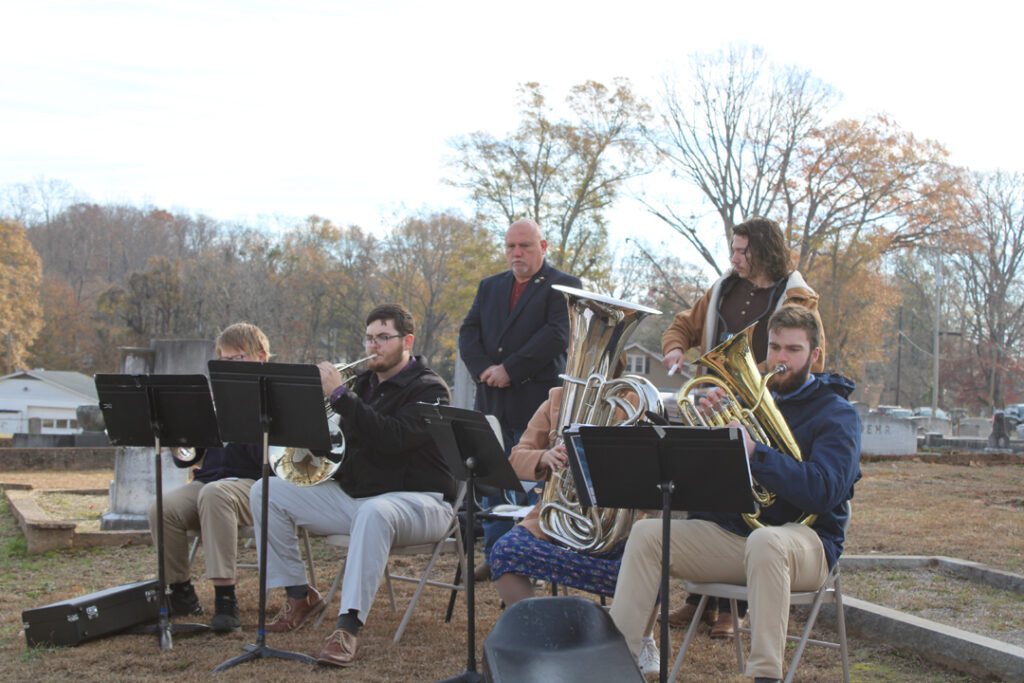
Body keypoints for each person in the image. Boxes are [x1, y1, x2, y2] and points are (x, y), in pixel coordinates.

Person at [610, 305, 862, 683]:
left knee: (767, 542)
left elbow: (823, 491)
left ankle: (765, 677)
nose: (780, 358)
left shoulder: (838, 415)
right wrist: (711, 446)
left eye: (793, 350)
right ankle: (615, 666)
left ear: (816, 356)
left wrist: (756, 454)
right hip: (742, 538)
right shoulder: (748, 403)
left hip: (810, 543)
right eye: (775, 347)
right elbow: (711, 488)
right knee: (649, 535)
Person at [249, 303, 454, 668]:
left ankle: (347, 626)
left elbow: (393, 440)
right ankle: (300, 595)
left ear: (406, 341)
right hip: (358, 499)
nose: (373, 346)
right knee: (266, 492)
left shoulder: (429, 388)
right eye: (369, 337)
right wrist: (306, 413)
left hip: (421, 502)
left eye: (383, 338)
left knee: (375, 512)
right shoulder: (361, 384)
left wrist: (342, 398)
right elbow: (334, 446)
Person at [661, 216, 826, 636]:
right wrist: (676, 349)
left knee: (750, 500)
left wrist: (756, 379)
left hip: (765, 410)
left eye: (741, 250)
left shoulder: (797, 295)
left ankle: (732, 610)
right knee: (705, 494)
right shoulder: (723, 289)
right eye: (732, 249)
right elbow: (683, 324)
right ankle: (698, 601)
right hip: (716, 406)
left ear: (764, 251)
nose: (733, 257)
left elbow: (800, 353)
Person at [488, 380, 660, 680]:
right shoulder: (556, 397)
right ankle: (535, 634)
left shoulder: (633, 399)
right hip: (555, 517)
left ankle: (642, 640)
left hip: (615, 523)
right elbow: (516, 457)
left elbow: (653, 465)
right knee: (505, 551)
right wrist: (542, 457)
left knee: (653, 561)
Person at [458, 218, 581, 579]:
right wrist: (483, 369)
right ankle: (496, 555)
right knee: (495, 483)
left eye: (525, 246)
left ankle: (532, 554)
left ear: (543, 247)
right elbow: (469, 331)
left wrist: (509, 369)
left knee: (537, 485)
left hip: (536, 402)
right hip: (493, 401)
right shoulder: (490, 286)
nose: (516, 253)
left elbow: (556, 336)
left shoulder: (565, 286)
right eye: (510, 246)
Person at [147, 322, 270, 633]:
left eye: (237, 359)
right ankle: (181, 592)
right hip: (210, 482)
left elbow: (269, 461)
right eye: (222, 361)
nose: (228, 367)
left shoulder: (273, 396)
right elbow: (189, 457)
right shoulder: (215, 397)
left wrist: (243, 417)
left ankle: (225, 597)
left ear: (262, 356)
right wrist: (183, 434)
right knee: (162, 508)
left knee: (215, 494)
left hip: (255, 483)